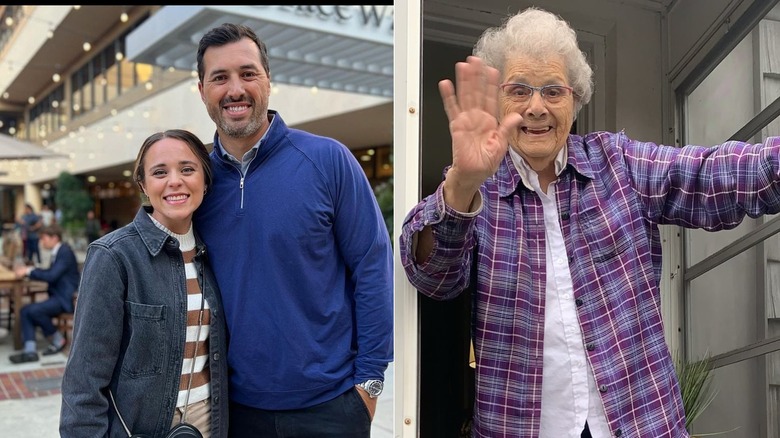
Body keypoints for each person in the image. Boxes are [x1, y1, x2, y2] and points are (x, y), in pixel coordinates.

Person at [399, 7, 780, 438]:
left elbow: (709, 175)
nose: (536, 108)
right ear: (497, 100)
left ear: (576, 101)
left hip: (640, 423)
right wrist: (462, 182)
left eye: (553, 91)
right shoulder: (476, 189)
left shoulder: (617, 163)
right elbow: (432, 276)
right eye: (519, 90)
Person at [193, 23, 393, 437]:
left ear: (269, 80)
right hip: (234, 411)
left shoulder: (328, 160)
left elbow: (373, 268)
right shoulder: (198, 183)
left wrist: (369, 385)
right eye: (220, 77)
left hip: (331, 407)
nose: (235, 89)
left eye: (248, 73)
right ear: (202, 90)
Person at [59, 130, 228, 437]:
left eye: (187, 169)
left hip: (210, 423)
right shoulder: (114, 255)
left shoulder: (214, 252)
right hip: (141, 427)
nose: (174, 181)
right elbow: (83, 380)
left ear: (205, 180)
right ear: (143, 185)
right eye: (159, 172)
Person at [9, 224, 80, 364]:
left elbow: (52, 276)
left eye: (44, 238)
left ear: (54, 238)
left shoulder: (65, 252)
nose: (42, 242)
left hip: (64, 299)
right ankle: (30, 351)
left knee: (32, 311)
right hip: (58, 296)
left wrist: (29, 271)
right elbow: (51, 274)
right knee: (25, 311)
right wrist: (30, 271)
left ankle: (57, 339)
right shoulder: (58, 252)